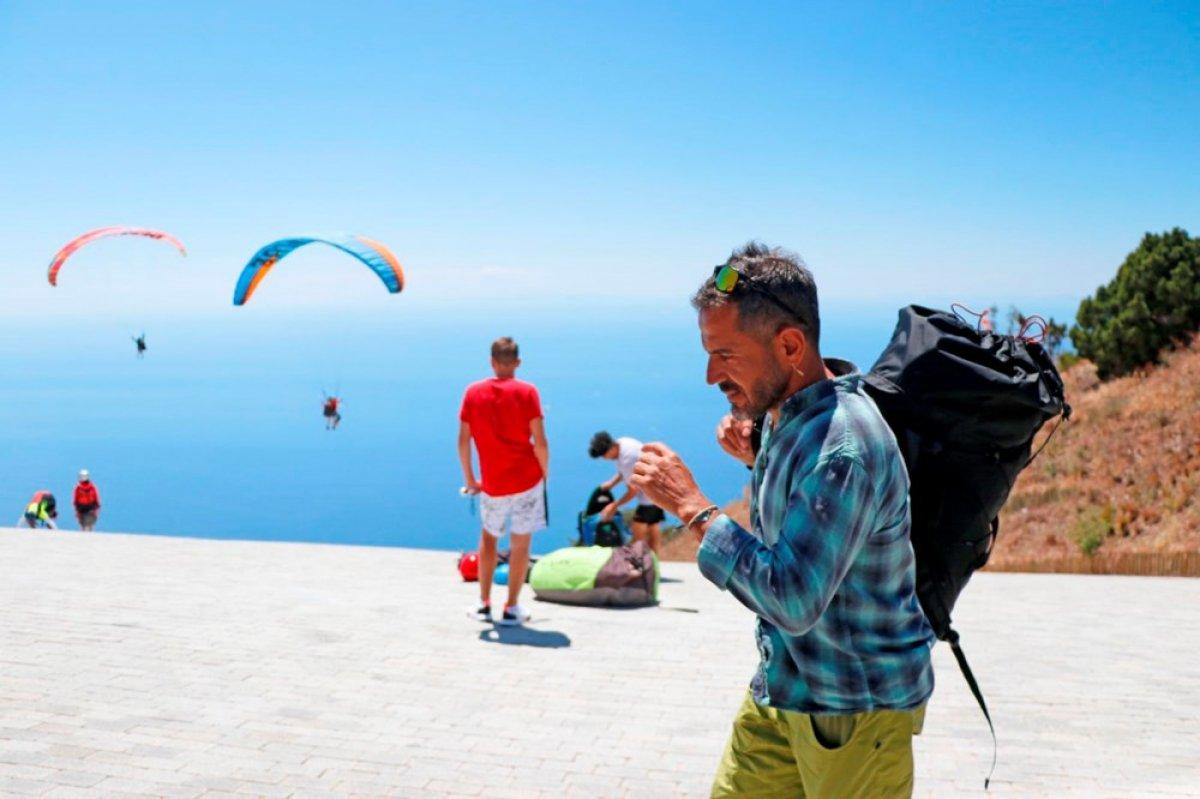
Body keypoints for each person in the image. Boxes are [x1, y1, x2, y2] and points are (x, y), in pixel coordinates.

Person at [629, 243, 935, 798]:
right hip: (784, 689)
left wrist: (692, 507)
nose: (710, 375)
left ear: (790, 345)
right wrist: (757, 452)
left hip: (854, 712)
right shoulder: (789, 417)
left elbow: (793, 598)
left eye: (725, 354)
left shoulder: (843, 448)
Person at [458, 337, 549, 626]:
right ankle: (511, 607)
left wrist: (471, 479)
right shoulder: (528, 392)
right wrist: (544, 473)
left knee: (489, 540)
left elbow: (463, 441)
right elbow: (540, 442)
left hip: (493, 484)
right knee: (520, 543)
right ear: (517, 363)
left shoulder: (473, 392)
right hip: (527, 480)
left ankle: (484, 604)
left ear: (492, 362)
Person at [587, 431, 665, 556]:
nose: (604, 458)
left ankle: (638, 564)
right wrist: (611, 483)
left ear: (611, 448)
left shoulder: (627, 460)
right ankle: (655, 562)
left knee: (637, 535)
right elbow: (624, 473)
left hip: (650, 496)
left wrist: (614, 506)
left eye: (604, 455)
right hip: (659, 489)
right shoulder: (623, 442)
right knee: (653, 528)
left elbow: (633, 491)